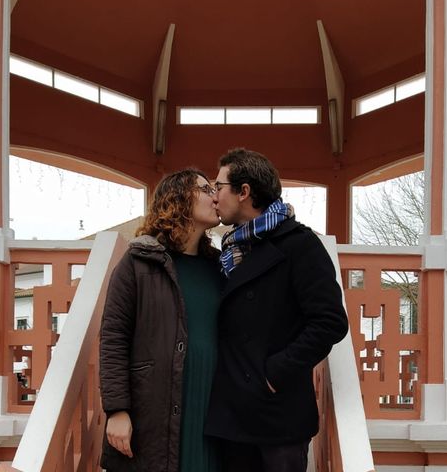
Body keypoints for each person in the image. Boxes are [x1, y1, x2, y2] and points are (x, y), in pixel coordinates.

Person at [205, 148, 349, 472]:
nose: (214, 197)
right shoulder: (229, 251)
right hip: (231, 418)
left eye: (219, 187)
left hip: (277, 416)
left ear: (244, 192)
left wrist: (274, 373)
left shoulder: (300, 245)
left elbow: (330, 321)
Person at [99, 168, 223, 472]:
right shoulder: (138, 263)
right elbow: (114, 337)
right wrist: (117, 410)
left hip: (213, 404)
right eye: (206, 190)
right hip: (154, 407)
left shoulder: (220, 267)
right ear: (178, 198)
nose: (215, 196)